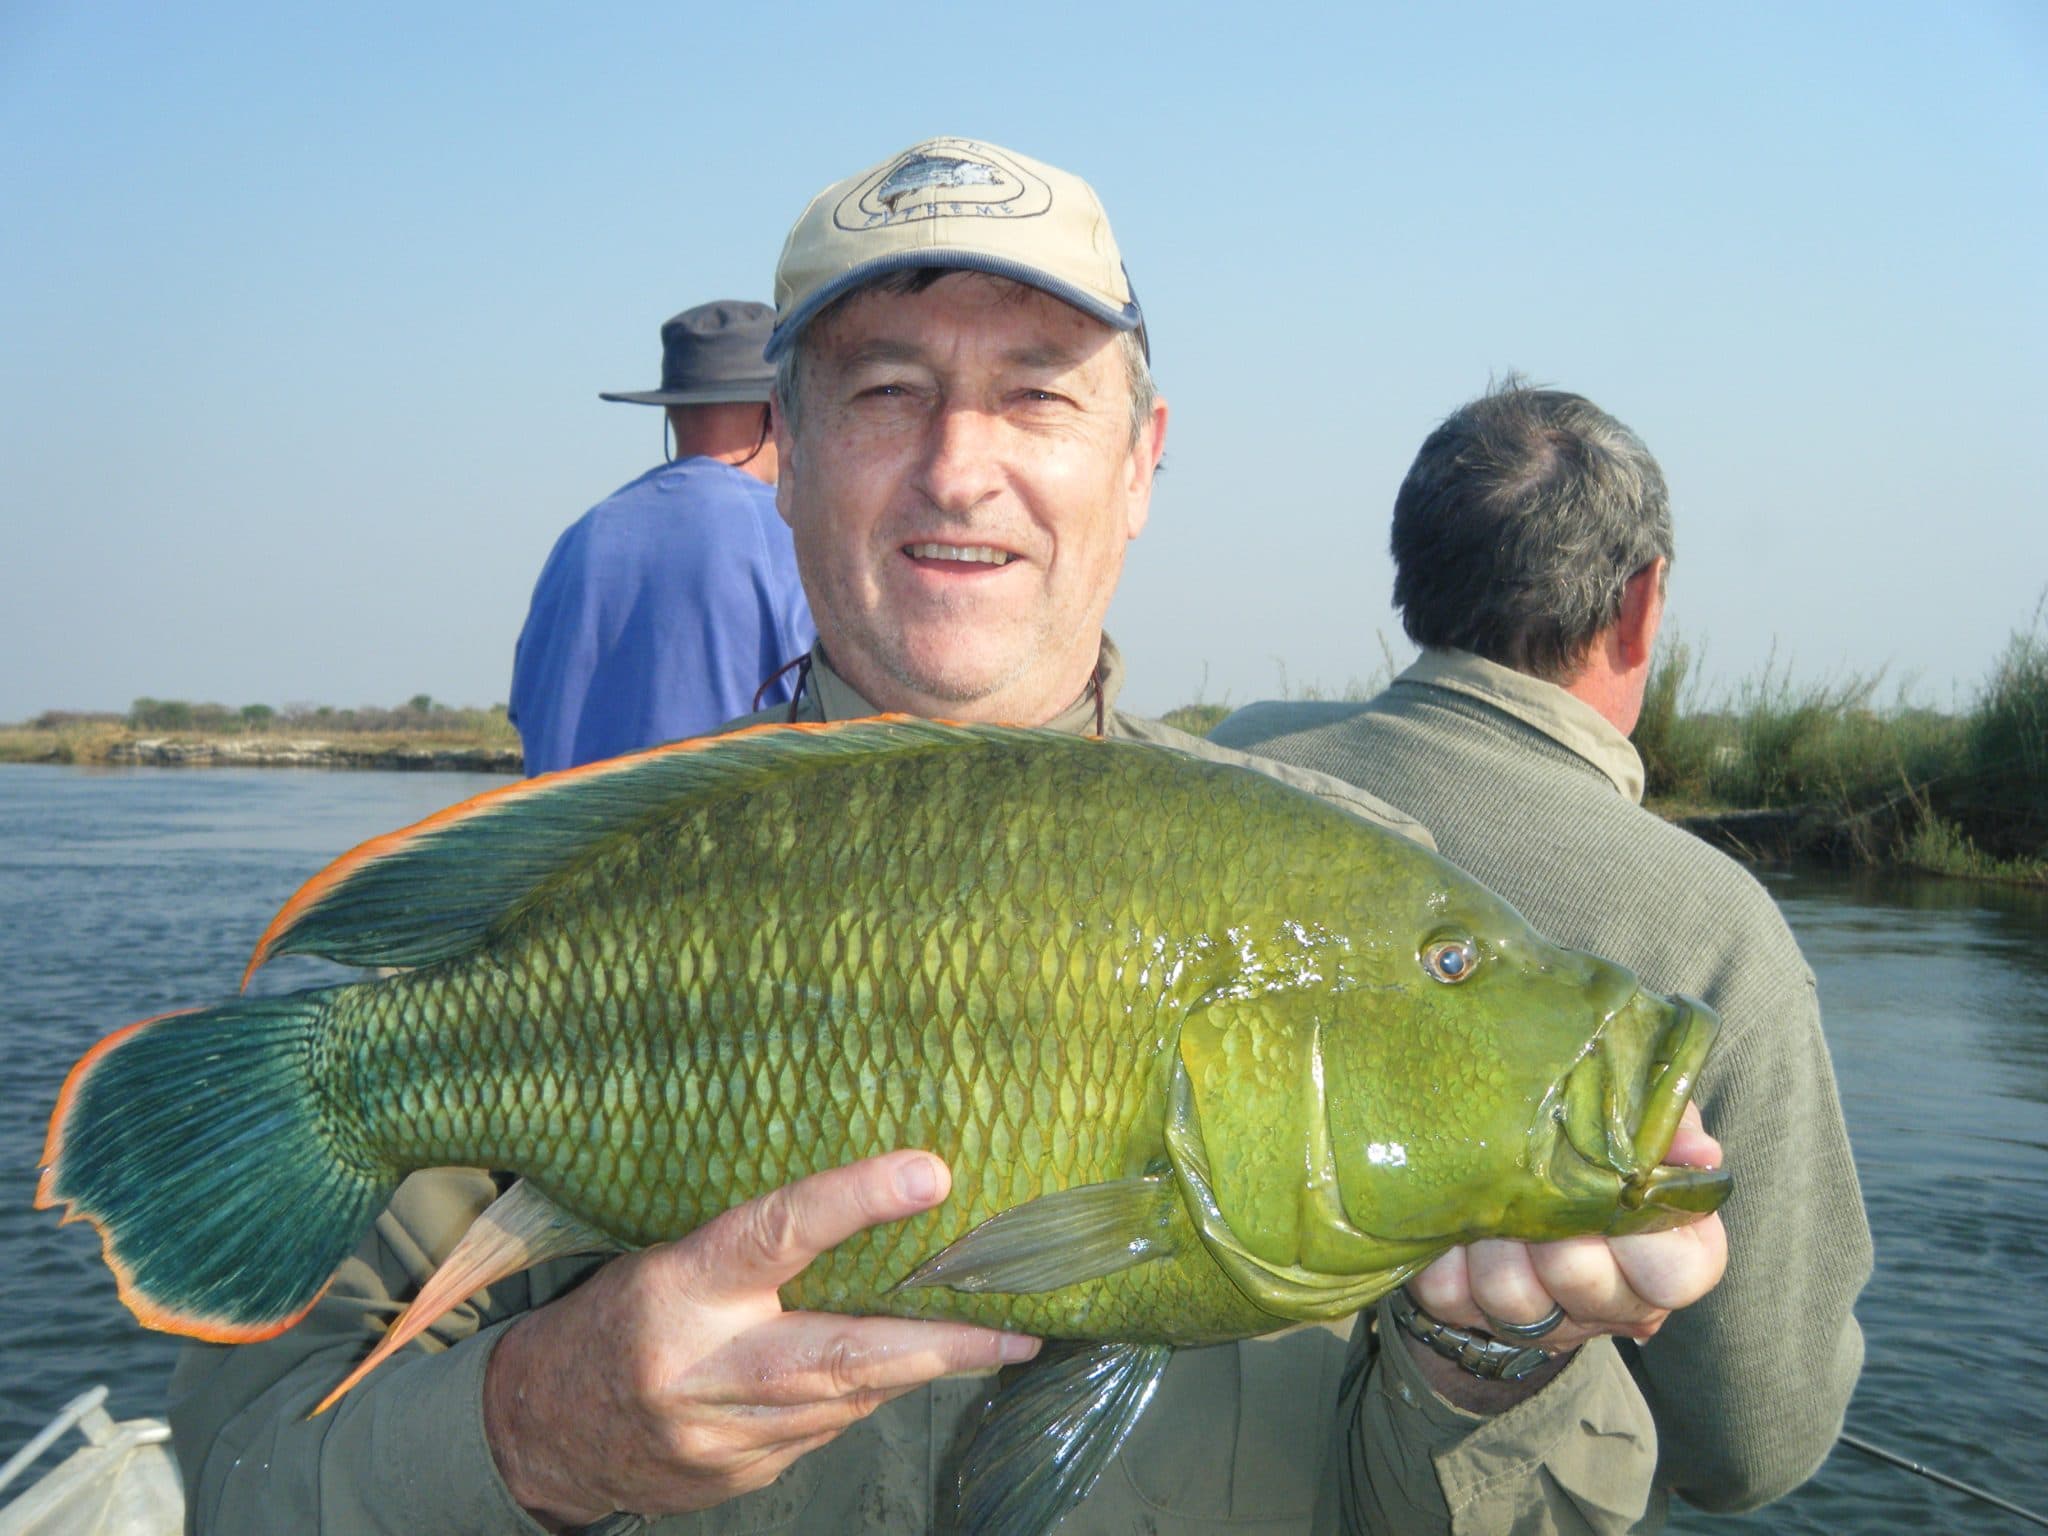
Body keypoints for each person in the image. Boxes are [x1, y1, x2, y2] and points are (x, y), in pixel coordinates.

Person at [168, 144, 1724, 1535]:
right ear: (784, 450)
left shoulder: (1364, 874)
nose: (958, 462)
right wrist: (538, 1432)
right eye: (886, 390)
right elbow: (241, 1480)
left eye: (1039, 388)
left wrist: (1484, 1362)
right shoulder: (601, 905)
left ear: (1141, 463)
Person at [1212, 380, 1872, 1528]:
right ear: (1641, 606)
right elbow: (1751, 1446)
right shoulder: (1715, 935)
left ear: (1412, 580)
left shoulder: (1223, 779)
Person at [508, 300, 815, 776]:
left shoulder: (578, 541)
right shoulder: (791, 537)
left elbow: (528, 713)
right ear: (777, 412)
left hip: (562, 848)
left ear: (671, 410)